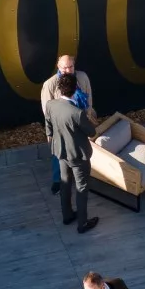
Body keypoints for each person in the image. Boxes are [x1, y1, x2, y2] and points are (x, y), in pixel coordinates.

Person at [45, 72, 99, 234]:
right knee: (82, 188)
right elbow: (91, 132)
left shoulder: (50, 105)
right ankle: (82, 223)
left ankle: (67, 215)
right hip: (78, 156)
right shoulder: (77, 113)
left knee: (65, 184)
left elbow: (49, 127)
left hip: (60, 152)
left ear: (59, 89)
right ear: (75, 89)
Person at [41, 55, 97, 196]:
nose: (67, 70)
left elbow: (89, 97)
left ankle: (82, 177)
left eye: (70, 66)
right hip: (62, 126)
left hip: (80, 120)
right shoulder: (50, 84)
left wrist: (88, 115)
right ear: (58, 67)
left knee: (80, 151)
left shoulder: (82, 77)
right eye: (64, 67)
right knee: (60, 155)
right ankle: (57, 181)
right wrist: (51, 132)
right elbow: (47, 110)